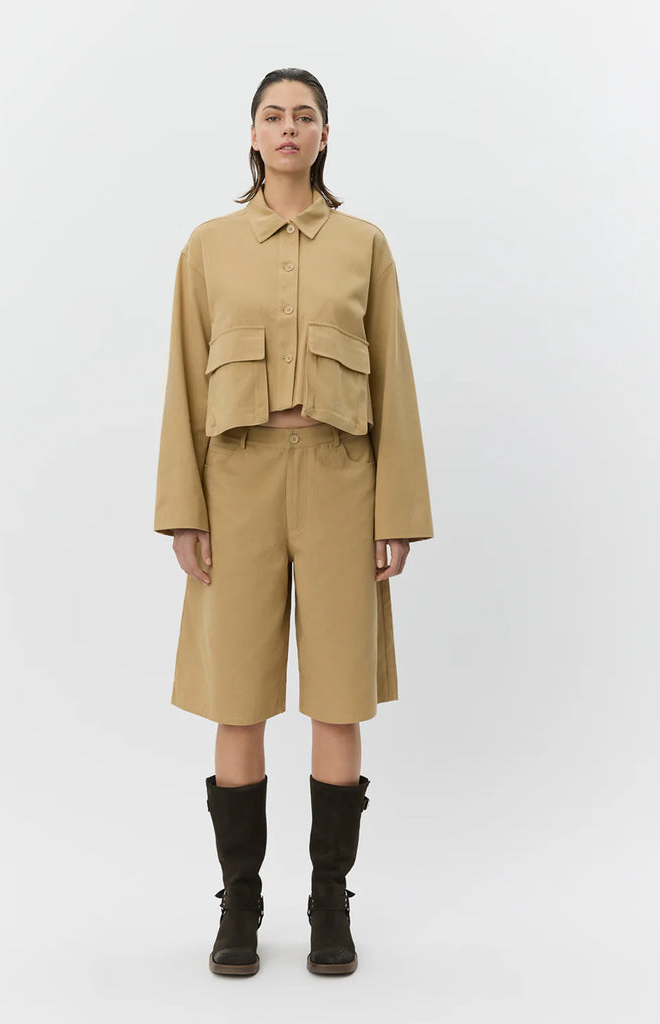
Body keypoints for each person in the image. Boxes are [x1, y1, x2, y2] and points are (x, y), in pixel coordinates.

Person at [153, 67, 434, 976]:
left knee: (339, 693)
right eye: (272, 115)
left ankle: (328, 903)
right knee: (236, 695)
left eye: (303, 116)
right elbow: (181, 380)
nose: (287, 128)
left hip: (341, 480)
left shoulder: (363, 245)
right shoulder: (207, 247)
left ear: (323, 135)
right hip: (233, 479)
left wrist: (398, 510)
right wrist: (182, 510)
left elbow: (393, 378)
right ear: (252, 133)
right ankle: (239, 904)